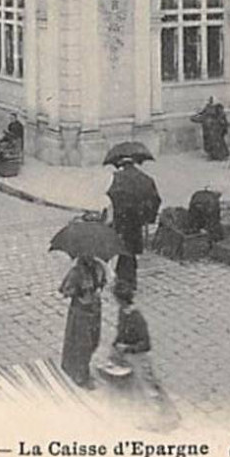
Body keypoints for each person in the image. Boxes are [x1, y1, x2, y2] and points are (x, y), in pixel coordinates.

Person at [107, 158, 161, 292]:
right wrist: (148, 218)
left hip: (123, 221)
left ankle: (126, 281)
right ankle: (129, 279)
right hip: (137, 221)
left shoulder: (119, 178)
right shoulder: (146, 179)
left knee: (125, 250)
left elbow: (112, 195)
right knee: (130, 249)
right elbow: (156, 199)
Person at [59, 254, 106, 388]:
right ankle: (81, 374)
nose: (90, 258)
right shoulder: (76, 272)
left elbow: (103, 282)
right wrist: (78, 291)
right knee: (82, 343)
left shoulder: (99, 268)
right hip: (81, 312)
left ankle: (82, 367)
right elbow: (64, 290)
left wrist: (98, 288)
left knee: (94, 340)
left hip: (95, 310)